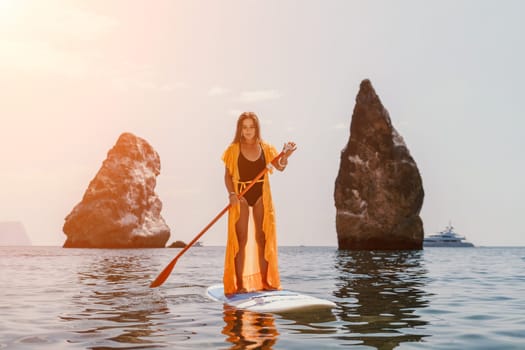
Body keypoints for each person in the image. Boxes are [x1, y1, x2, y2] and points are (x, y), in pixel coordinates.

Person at [222, 112, 296, 294]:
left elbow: (279, 166)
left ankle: (265, 282)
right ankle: (240, 285)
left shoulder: (266, 147)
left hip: (261, 193)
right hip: (241, 195)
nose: (248, 131)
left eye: (251, 127)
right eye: (245, 127)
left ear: (257, 128)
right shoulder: (233, 149)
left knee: (262, 238)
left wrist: (286, 155)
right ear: (240, 129)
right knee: (242, 240)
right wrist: (232, 194)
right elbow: (227, 176)